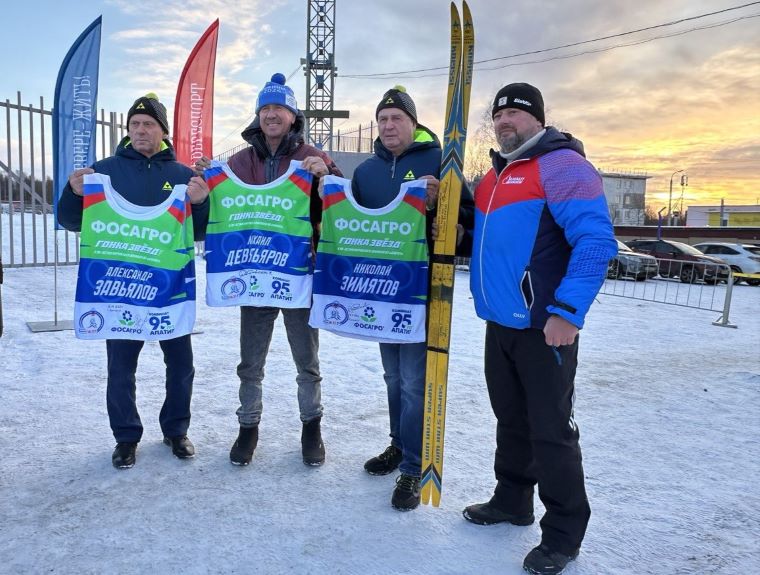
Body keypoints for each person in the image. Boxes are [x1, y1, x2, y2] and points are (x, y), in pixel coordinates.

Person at [460, 83, 616, 575]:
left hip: (544, 324)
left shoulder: (563, 165)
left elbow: (595, 240)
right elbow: (482, 244)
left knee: (552, 430)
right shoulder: (492, 177)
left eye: (515, 112)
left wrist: (567, 312)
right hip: (500, 322)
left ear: (537, 118)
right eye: (499, 113)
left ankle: (565, 534)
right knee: (510, 418)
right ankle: (512, 501)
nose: (504, 120)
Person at [196, 73, 342, 467]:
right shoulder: (241, 161)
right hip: (254, 275)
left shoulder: (312, 154)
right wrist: (209, 183)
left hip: (297, 274)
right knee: (250, 362)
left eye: (279, 107)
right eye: (265, 108)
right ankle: (248, 427)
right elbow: (221, 205)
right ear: (258, 116)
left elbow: (341, 204)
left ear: (293, 116)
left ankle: (312, 427)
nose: (272, 114)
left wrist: (326, 174)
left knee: (306, 362)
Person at [57, 93, 210, 469]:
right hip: (120, 289)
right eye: (135, 125)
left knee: (181, 365)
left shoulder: (181, 174)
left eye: (149, 125)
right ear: (127, 131)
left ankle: (176, 430)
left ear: (163, 132)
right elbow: (70, 220)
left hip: (169, 287)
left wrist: (203, 201)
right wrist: (73, 193)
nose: (141, 131)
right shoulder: (103, 171)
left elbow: (201, 231)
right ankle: (126, 437)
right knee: (121, 368)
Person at [352, 86, 474, 511]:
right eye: (383, 118)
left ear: (413, 123)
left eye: (396, 118)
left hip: (422, 290)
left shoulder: (440, 161)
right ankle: (398, 446)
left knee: (414, 381)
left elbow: (467, 222)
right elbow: (349, 221)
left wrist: (447, 207)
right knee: (392, 378)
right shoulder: (366, 171)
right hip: (381, 292)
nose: (388, 125)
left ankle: (413, 466)